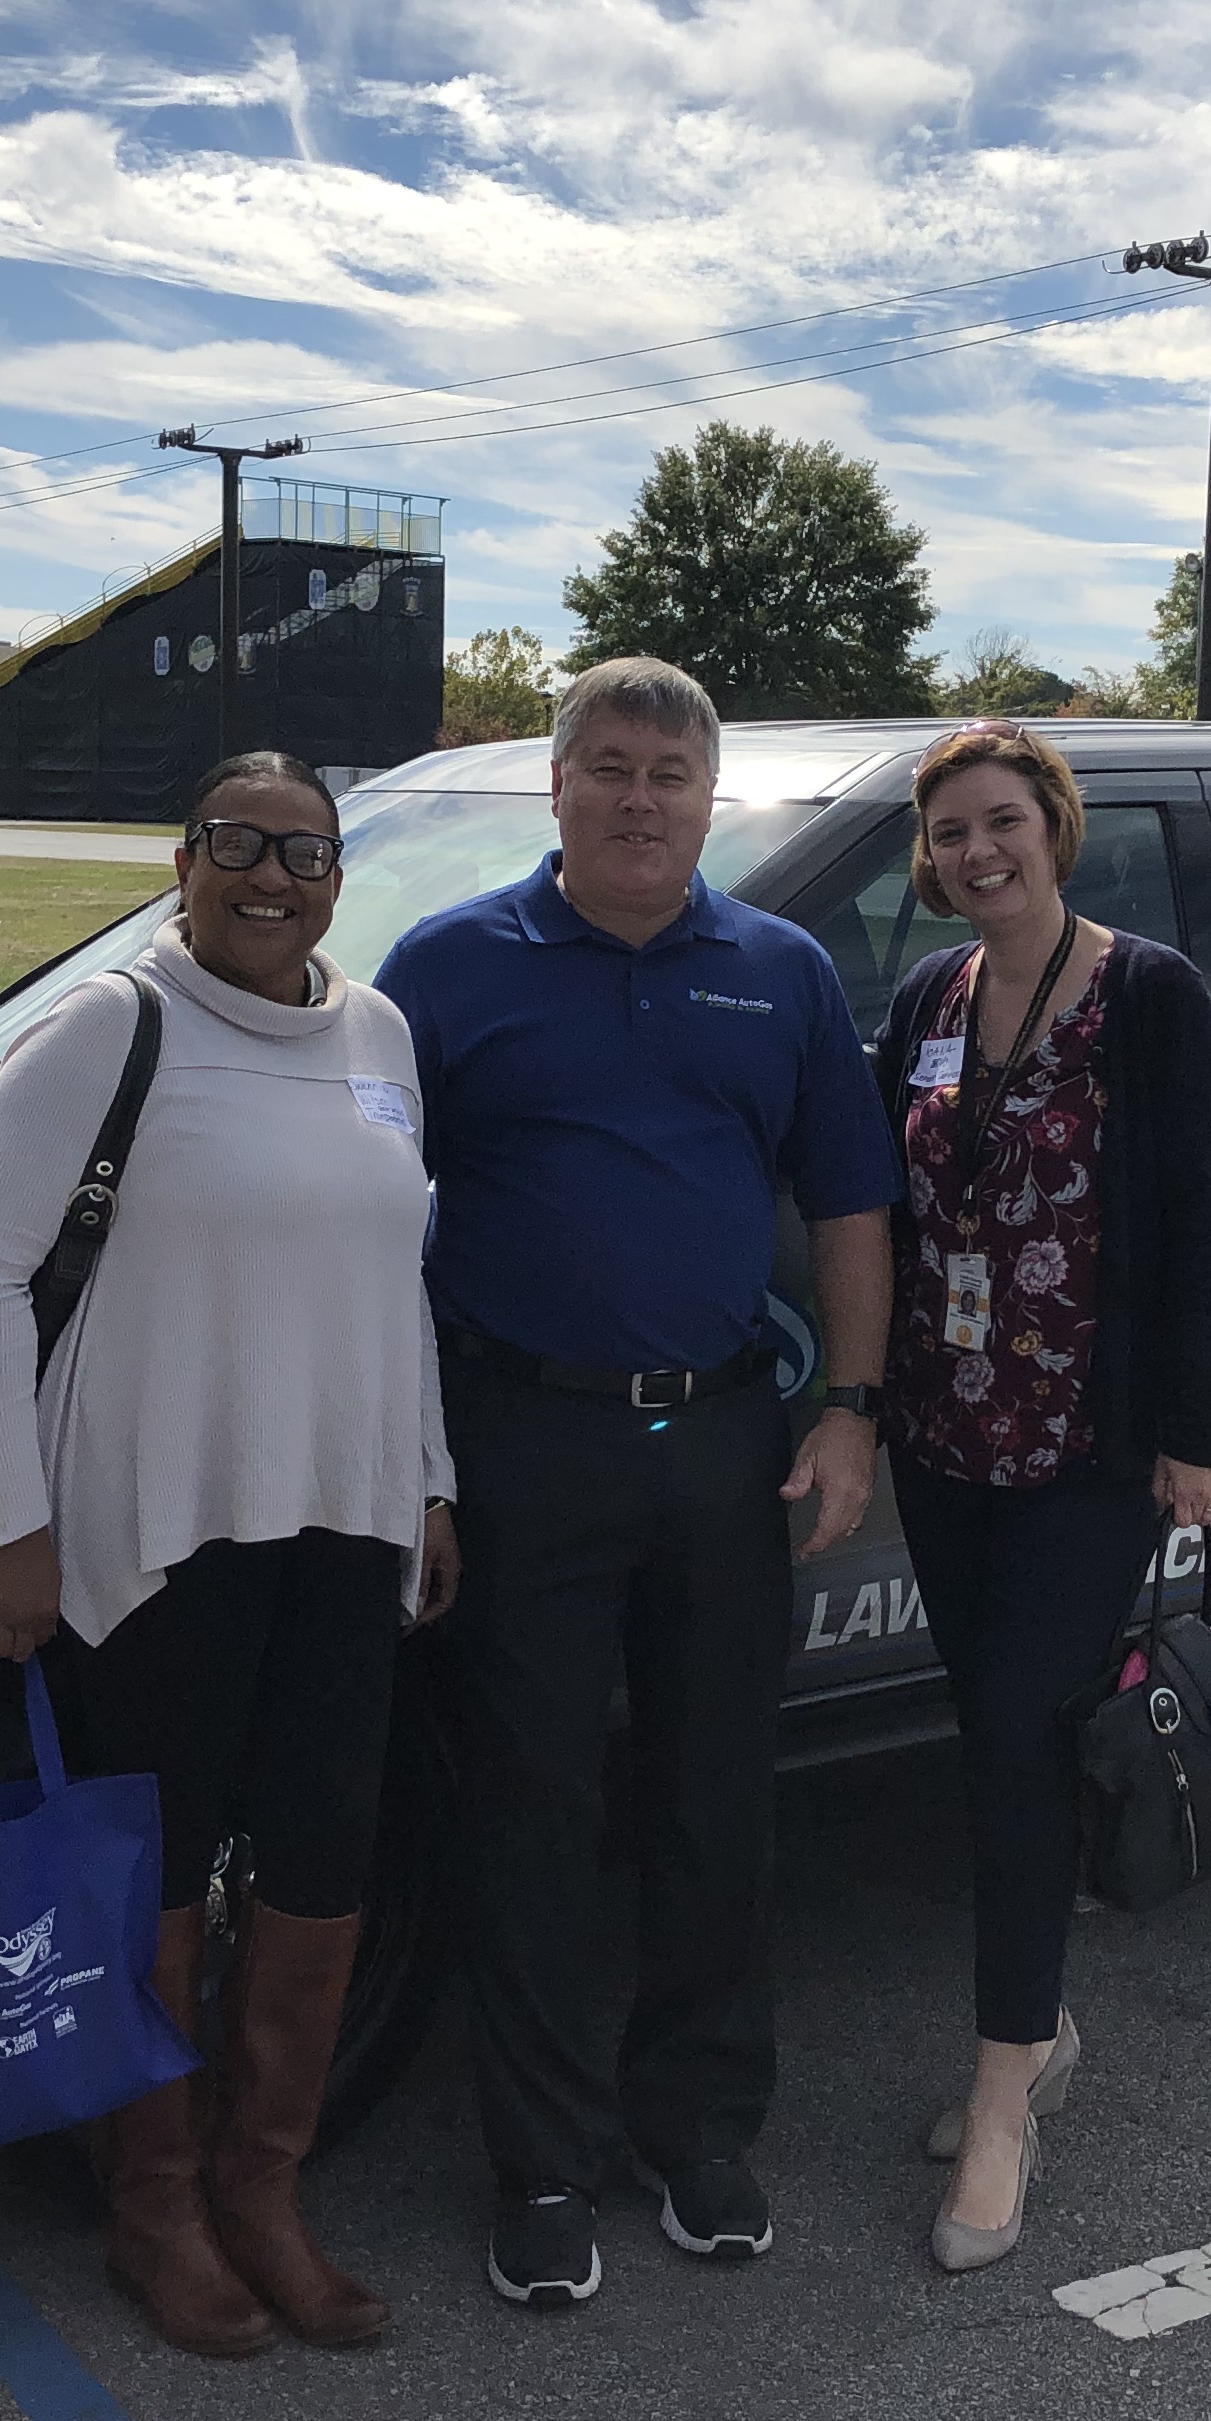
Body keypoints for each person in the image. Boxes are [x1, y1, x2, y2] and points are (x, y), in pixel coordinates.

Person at [378, 656, 900, 2310]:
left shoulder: (782, 970)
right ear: (556, 783)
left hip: (730, 1440)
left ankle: (698, 2130)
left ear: (709, 798)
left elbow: (848, 1208)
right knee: (533, 1809)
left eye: (672, 775)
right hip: (520, 1436)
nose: (639, 797)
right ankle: (538, 2162)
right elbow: (371, 1225)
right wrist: (420, 1465)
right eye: (609, 765)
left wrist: (855, 1412)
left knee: (713, 1801)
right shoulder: (445, 971)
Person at [0, 749, 459, 2360]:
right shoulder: (113, 1028)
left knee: (319, 1861)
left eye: (304, 850)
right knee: (148, 1877)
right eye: (238, 844)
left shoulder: (380, 1035)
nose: (272, 876)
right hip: (156, 1530)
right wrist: (7, 1525)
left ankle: (264, 2189)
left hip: (347, 1522)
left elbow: (399, 1282)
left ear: (338, 876)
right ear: (184, 861)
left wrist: (429, 1479)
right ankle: (153, 2204)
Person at [872, 720, 1211, 2272]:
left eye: (1003, 821)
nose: (980, 851)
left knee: (1024, 1747)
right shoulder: (927, 1002)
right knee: (990, 1739)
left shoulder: (1149, 996)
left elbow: (1205, 1220)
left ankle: (1003, 2099)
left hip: (1084, 1456)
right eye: (952, 830)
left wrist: (1196, 1430)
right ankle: (1040, 2032)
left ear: (1056, 825)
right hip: (945, 1441)